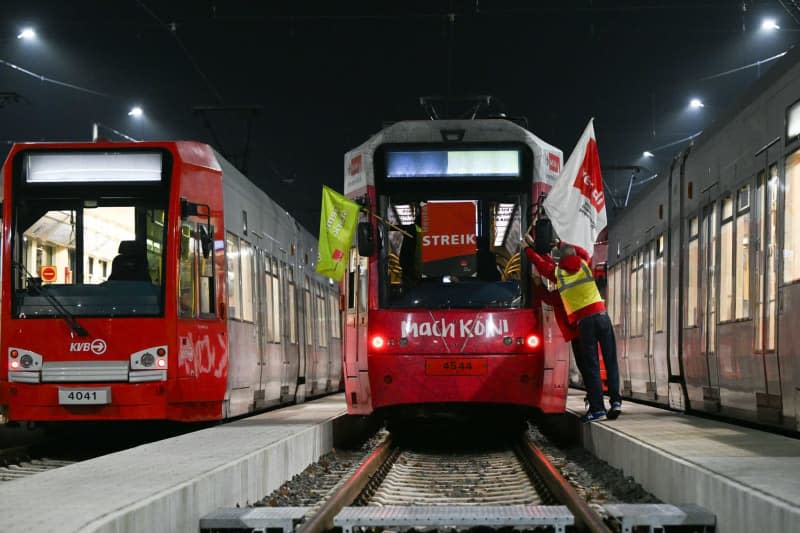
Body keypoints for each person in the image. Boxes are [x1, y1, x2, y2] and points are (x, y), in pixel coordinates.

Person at [524, 234, 622, 423]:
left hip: (585, 322)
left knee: (591, 366)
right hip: (602, 315)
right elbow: (582, 251)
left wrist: (528, 249)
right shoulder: (585, 264)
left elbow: (541, 264)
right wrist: (560, 243)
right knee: (610, 360)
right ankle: (616, 401)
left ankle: (597, 409)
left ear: (560, 260)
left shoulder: (558, 273)